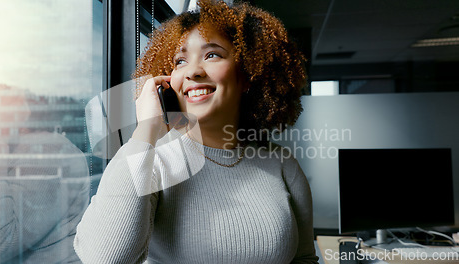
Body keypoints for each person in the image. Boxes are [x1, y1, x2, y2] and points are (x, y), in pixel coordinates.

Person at [74, 0, 318, 263]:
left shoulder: (281, 163)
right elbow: (105, 259)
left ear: (247, 74)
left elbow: (304, 258)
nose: (192, 71)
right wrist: (147, 130)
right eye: (180, 61)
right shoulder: (152, 159)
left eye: (212, 54)